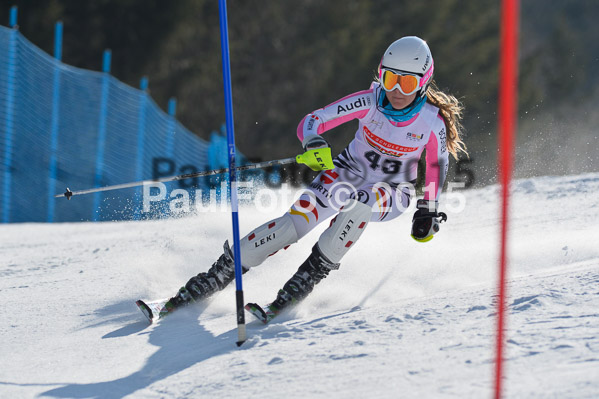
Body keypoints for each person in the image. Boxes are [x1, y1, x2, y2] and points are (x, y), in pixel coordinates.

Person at [166, 36, 467, 318]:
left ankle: (305, 279)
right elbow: (315, 119)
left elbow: (436, 168)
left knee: (361, 204)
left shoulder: (432, 121)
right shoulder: (370, 101)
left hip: (393, 190)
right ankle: (216, 275)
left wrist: (428, 208)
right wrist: (313, 140)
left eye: (408, 82)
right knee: (291, 225)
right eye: (390, 79)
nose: (397, 91)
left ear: (423, 83)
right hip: (345, 174)